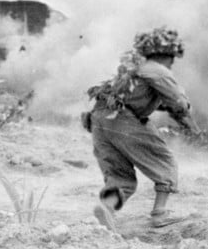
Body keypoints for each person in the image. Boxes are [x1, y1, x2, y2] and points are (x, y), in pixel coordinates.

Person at [85, 27, 198, 230]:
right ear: (170, 54)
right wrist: (193, 128)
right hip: (123, 119)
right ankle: (159, 214)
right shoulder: (158, 70)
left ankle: (106, 210)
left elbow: (150, 100)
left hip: (99, 119)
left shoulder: (133, 69)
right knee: (164, 161)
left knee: (121, 177)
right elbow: (178, 103)